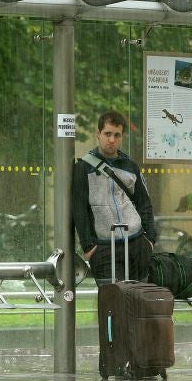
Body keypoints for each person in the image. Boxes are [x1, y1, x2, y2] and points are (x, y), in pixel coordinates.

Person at [73, 111, 157, 284]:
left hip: (137, 244)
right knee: (112, 298)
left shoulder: (131, 166)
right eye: (107, 134)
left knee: (139, 297)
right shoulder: (83, 168)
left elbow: (144, 204)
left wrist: (150, 239)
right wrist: (89, 247)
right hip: (103, 247)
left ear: (122, 137)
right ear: (98, 134)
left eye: (117, 135)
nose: (112, 140)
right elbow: (79, 208)